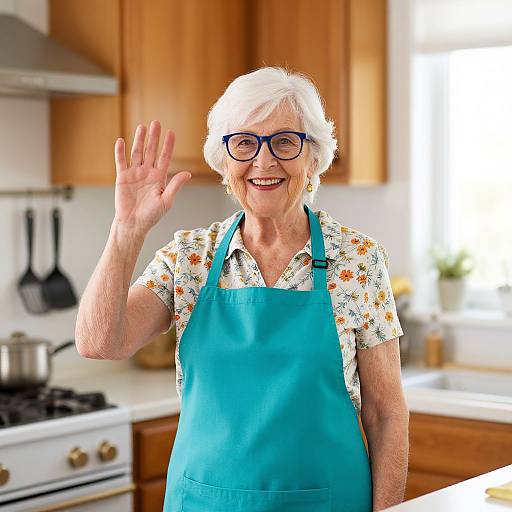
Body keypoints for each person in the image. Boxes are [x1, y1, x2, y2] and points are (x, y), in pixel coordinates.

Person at [75, 67, 409, 512]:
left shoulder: (359, 262)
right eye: (245, 142)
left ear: (313, 159)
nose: (264, 162)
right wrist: (126, 231)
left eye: (285, 141)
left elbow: (386, 414)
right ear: (224, 159)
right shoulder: (188, 259)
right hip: (203, 502)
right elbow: (100, 343)